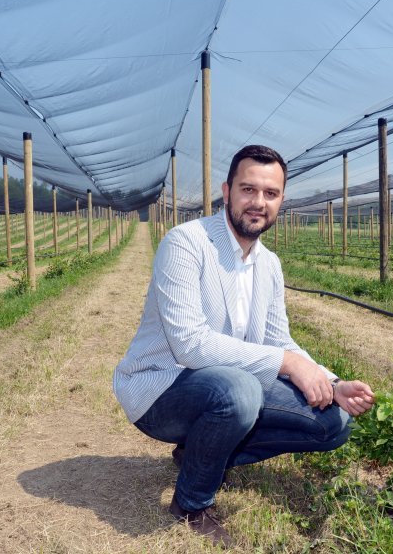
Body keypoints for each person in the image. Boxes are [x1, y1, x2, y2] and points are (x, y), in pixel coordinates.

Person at [113, 144, 375, 547]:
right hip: (161, 389)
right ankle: (192, 503)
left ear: (281, 200)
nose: (258, 202)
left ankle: (201, 454)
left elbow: (279, 339)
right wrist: (287, 363)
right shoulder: (186, 243)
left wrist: (330, 381)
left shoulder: (268, 264)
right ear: (227, 190)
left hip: (228, 385)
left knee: (333, 424)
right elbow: (190, 345)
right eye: (248, 189)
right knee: (239, 390)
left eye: (270, 194)